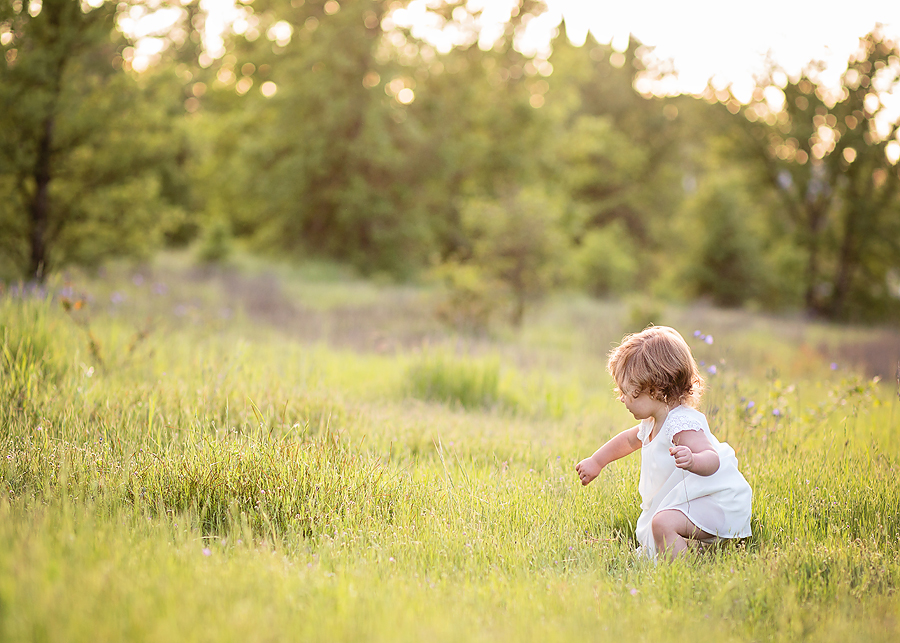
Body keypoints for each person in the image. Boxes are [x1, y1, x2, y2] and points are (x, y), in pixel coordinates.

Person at [575, 326, 752, 561]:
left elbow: (712, 458)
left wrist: (693, 460)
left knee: (662, 523)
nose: (621, 398)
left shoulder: (681, 422)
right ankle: (696, 553)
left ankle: (683, 574)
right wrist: (597, 461)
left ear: (654, 389)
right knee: (659, 526)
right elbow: (628, 441)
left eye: (628, 392)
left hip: (715, 502)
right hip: (693, 501)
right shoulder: (653, 421)